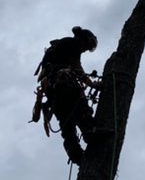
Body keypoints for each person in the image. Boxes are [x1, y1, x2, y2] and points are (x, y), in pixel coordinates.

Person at [33, 26, 102, 165]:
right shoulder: (72, 43)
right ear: (82, 39)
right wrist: (92, 84)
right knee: (81, 107)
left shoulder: (58, 48)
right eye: (87, 46)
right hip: (64, 84)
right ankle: (90, 131)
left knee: (67, 122)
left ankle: (75, 153)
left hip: (53, 92)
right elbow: (77, 68)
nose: (85, 50)